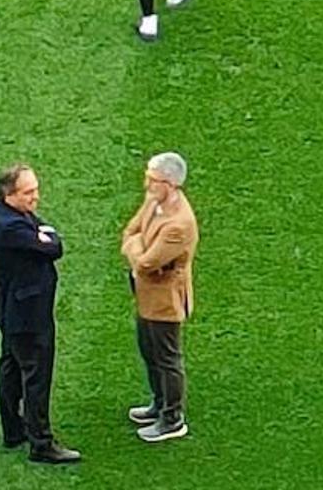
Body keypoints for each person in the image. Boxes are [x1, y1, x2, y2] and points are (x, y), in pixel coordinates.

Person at [0, 164, 81, 464]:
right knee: (36, 374)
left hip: (13, 309)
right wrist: (44, 235)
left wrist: (42, 233)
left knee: (11, 366)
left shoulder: (7, 213)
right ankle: (41, 443)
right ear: (8, 194)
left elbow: (44, 232)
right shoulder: (11, 227)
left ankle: (14, 430)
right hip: (27, 313)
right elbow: (54, 247)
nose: (36, 198)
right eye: (29, 192)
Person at [120, 152, 199, 443]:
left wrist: (135, 247)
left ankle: (172, 418)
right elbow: (130, 231)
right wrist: (137, 244)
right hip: (147, 294)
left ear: (170, 184)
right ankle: (159, 402)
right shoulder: (155, 202)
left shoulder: (179, 224)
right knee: (149, 351)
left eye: (152, 180)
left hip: (165, 300)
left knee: (167, 358)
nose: (146, 185)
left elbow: (144, 263)